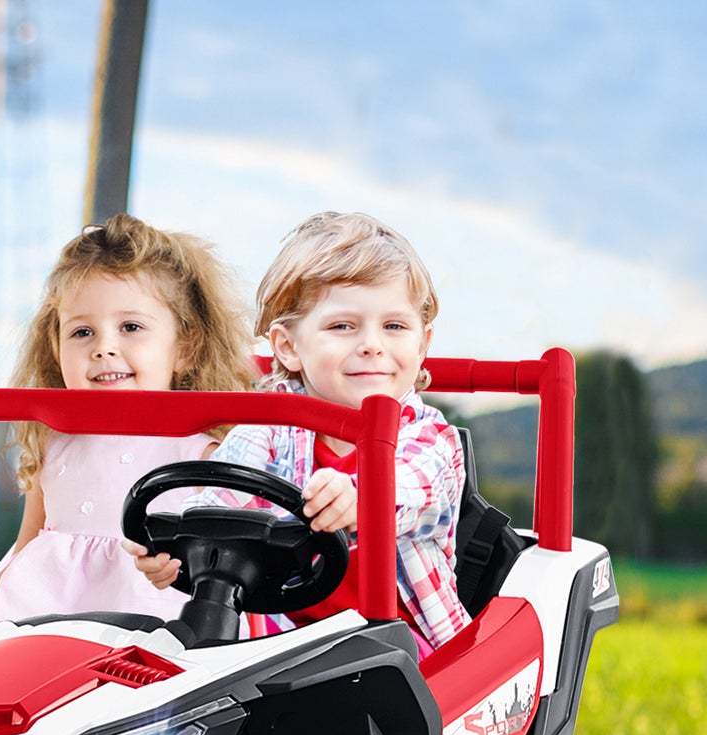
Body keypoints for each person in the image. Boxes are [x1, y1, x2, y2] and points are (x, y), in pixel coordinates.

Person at [129, 211, 469, 656]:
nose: (372, 344)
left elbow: (416, 490)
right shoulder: (270, 429)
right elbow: (219, 502)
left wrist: (363, 498)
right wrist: (177, 551)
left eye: (394, 326)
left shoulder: (429, 437)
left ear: (422, 344)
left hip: (406, 645)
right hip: (283, 641)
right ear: (289, 347)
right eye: (342, 326)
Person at [0, 214, 253, 626]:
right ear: (55, 348)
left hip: (149, 629)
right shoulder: (53, 442)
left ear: (184, 348)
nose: (104, 348)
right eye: (82, 332)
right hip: (38, 622)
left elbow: (226, 566)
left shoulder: (201, 453)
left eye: (130, 326)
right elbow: (25, 547)